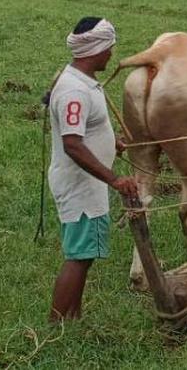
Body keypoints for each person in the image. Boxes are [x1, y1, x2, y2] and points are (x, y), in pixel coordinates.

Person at [46, 17, 137, 321]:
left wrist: (112, 144)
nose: (112, 54)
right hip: (81, 184)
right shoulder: (75, 92)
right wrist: (115, 179)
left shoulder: (81, 82)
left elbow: (86, 133)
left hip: (86, 181)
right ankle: (57, 324)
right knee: (79, 257)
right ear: (95, 50)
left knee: (83, 256)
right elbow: (72, 144)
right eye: (109, 48)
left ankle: (73, 318)